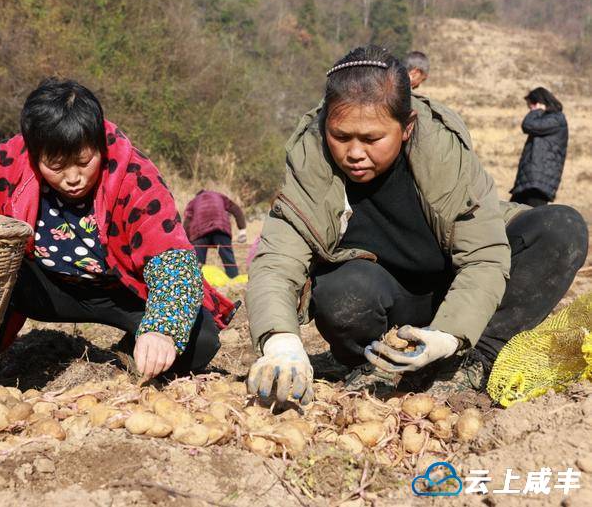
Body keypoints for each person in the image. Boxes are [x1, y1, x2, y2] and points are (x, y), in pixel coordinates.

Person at [245, 45, 588, 404]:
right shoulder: (310, 161)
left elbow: (483, 257)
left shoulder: (444, 153)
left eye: (372, 139)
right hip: (389, 298)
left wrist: (450, 334)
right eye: (341, 136)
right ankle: (369, 361)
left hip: (455, 285)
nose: (355, 152)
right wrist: (281, 341)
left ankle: (475, 359)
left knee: (562, 228)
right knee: (340, 295)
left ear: (406, 127)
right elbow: (275, 263)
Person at [0, 79, 237, 388]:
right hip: (39, 285)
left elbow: (171, 257)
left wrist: (160, 330)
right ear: (35, 155)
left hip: (117, 289)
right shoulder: (11, 160)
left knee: (201, 339)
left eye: (84, 162)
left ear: (100, 146)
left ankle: (128, 357)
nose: (73, 178)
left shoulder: (133, 175)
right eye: (56, 166)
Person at [509, 87, 568, 207]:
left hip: (539, 183)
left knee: (534, 221)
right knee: (511, 217)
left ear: (537, 102)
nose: (530, 110)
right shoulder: (548, 119)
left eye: (530, 106)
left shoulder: (556, 119)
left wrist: (536, 111)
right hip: (531, 181)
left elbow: (528, 125)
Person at [184, 190, 248, 278]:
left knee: (197, 263)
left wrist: (186, 241)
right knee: (228, 260)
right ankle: (234, 280)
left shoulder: (193, 201)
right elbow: (235, 209)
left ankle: (197, 283)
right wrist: (242, 230)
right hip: (220, 228)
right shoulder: (219, 196)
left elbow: (187, 220)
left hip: (199, 232)